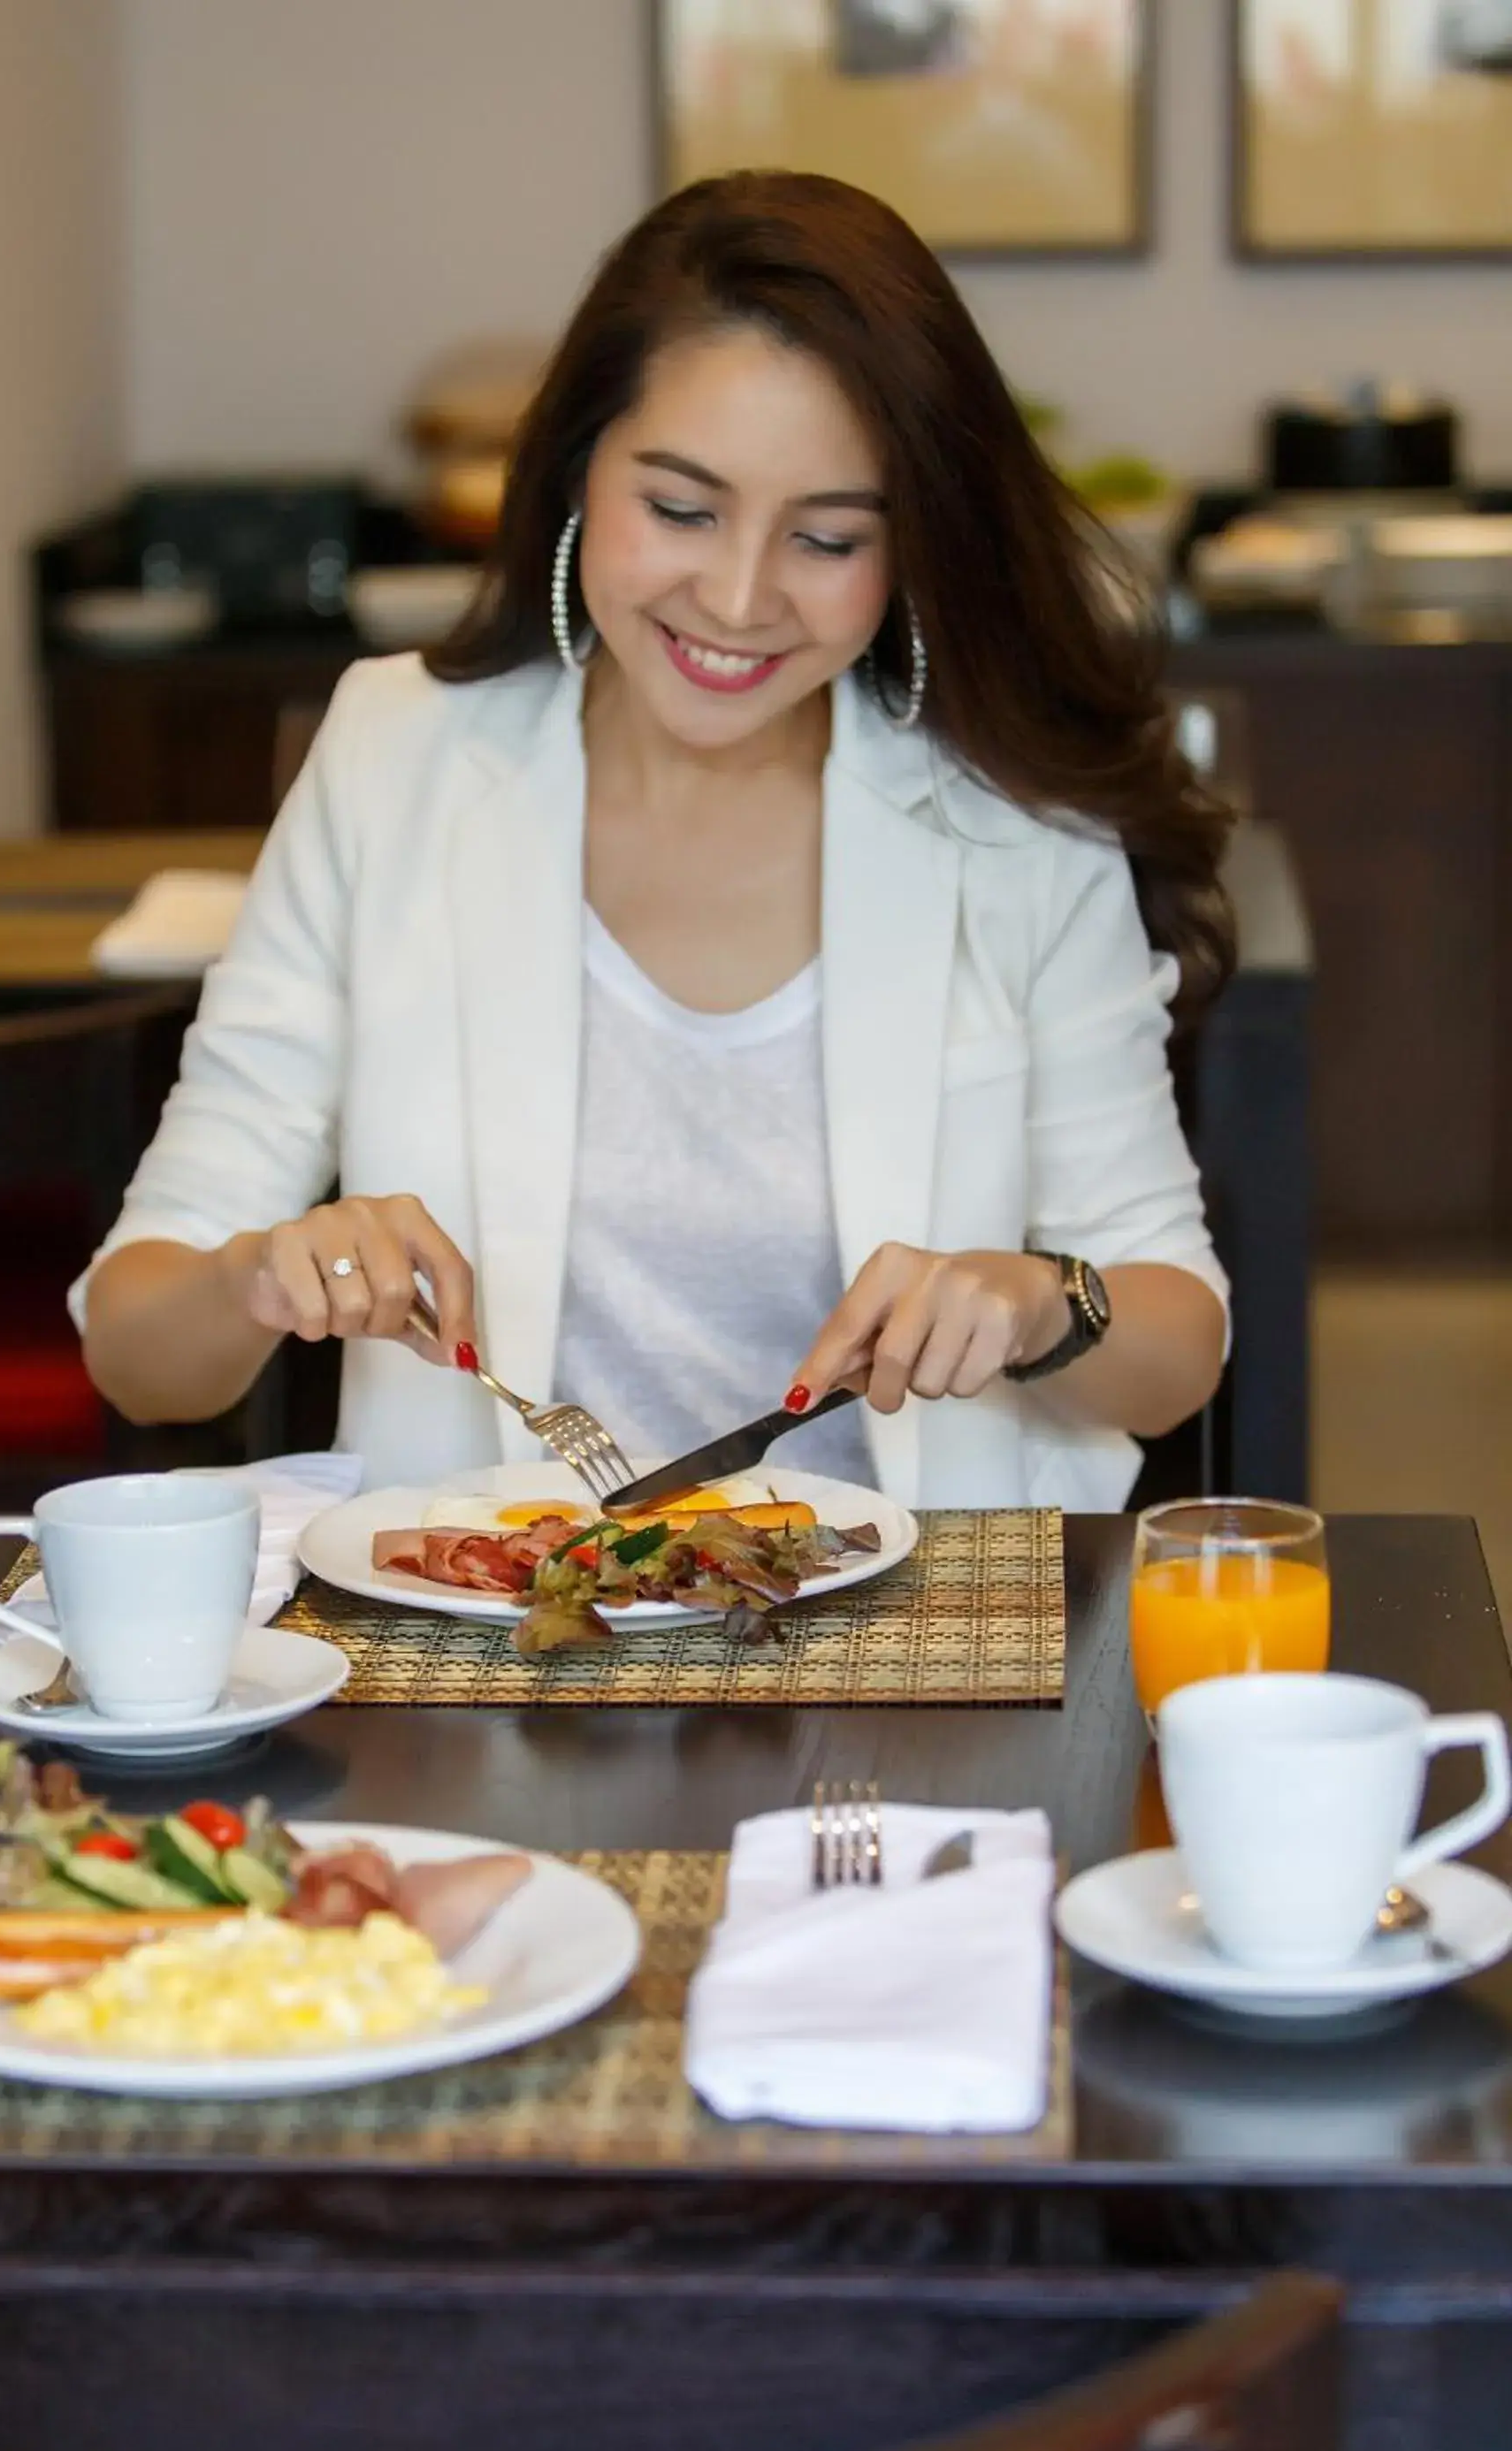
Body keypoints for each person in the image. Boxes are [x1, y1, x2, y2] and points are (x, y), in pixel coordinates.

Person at [76, 170, 1232, 1512]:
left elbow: (1177, 1342)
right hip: (484, 1638)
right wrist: (257, 1275)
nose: (739, 600)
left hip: (923, 1645)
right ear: (576, 470)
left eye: (828, 537)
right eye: (681, 510)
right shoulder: (397, 758)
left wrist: (1041, 1304)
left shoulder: (1016, 820)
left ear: (911, 550)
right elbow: (140, 1349)